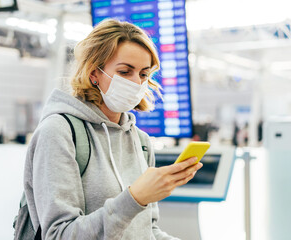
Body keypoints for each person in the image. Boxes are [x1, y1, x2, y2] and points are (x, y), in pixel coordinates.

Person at [23, 19, 203, 240]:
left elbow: (147, 231)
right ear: (94, 74)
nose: (137, 82)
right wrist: (134, 199)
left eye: (144, 74)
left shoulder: (142, 142)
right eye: (125, 71)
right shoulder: (59, 132)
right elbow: (59, 234)